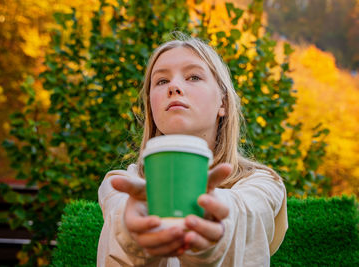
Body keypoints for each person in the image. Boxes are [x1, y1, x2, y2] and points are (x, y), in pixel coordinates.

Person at [97, 34, 288, 267]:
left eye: (194, 77)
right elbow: (121, 219)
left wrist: (207, 235)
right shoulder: (121, 183)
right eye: (161, 81)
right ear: (151, 107)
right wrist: (135, 234)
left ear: (223, 103)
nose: (174, 87)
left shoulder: (264, 184)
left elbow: (244, 216)